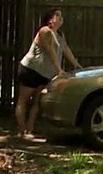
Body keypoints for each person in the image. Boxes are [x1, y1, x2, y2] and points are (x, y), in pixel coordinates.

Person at [15, 8, 81, 140]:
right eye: (57, 15)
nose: (61, 17)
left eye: (61, 16)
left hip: (45, 74)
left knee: (37, 102)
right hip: (31, 70)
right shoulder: (44, 31)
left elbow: (66, 50)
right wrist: (59, 70)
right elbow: (50, 51)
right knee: (23, 100)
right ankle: (22, 131)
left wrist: (76, 64)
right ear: (50, 20)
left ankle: (30, 130)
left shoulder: (60, 35)